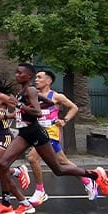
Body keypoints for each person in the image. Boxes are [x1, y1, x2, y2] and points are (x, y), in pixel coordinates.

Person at [0, 63, 108, 214]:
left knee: (58, 169)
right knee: (4, 163)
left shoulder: (30, 90)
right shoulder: (23, 91)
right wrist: (19, 108)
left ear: (29, 76)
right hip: (24, 133)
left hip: (36, 132)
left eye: (20, 73)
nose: (16, 75)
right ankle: (6, 205)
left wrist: (20, 105)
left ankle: (95, 174)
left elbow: (37, 112)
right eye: (16, 72)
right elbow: (48, 104)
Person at [23, 69, 93, 205]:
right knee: (62, 161)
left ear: (48, 81)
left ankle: (40, 190)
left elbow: (74, 107)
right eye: (35, 78)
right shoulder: (33, 96)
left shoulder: (56, 96)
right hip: (37, 132)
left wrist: (65, 120)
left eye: (39, 77)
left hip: (50, 133)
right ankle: (88, 178)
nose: (36, 80)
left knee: (32, 158)